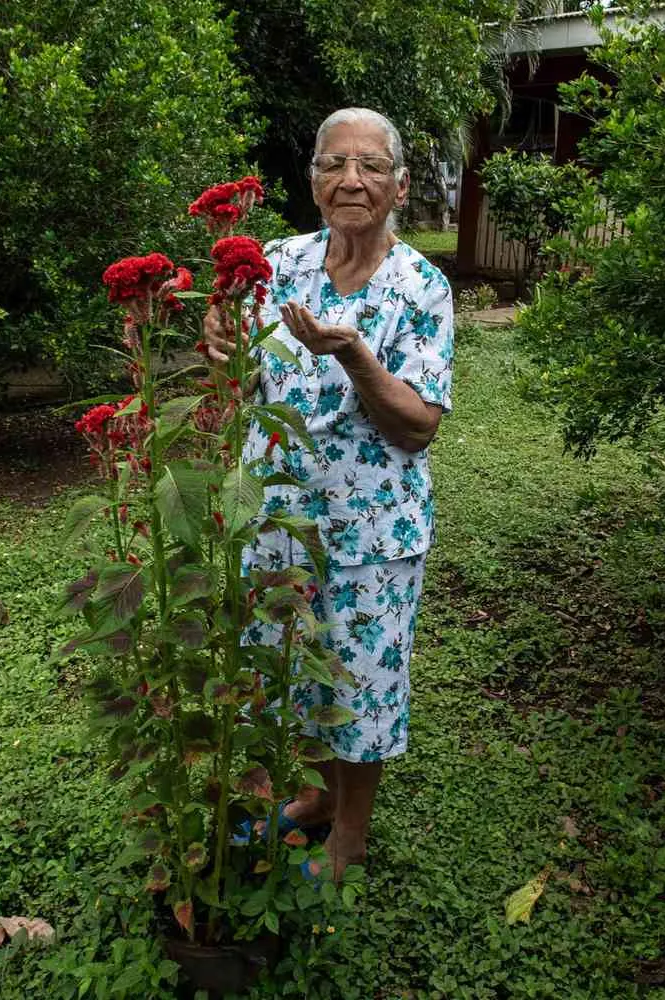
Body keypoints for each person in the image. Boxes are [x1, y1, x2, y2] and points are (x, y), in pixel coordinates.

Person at [202, 108, 455, 880]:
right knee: (287, 667)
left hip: (369, 530)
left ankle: (349, 835)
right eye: (332, 163)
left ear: (401, 185)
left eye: (370, 166)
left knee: (363, 683)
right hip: (276, 517)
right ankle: (311, 798)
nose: (351, 179)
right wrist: (218, 342)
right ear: (311, 178)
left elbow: (417, 426)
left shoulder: (423, 287)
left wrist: (354, 358)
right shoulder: (278, 262)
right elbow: (241, 381)